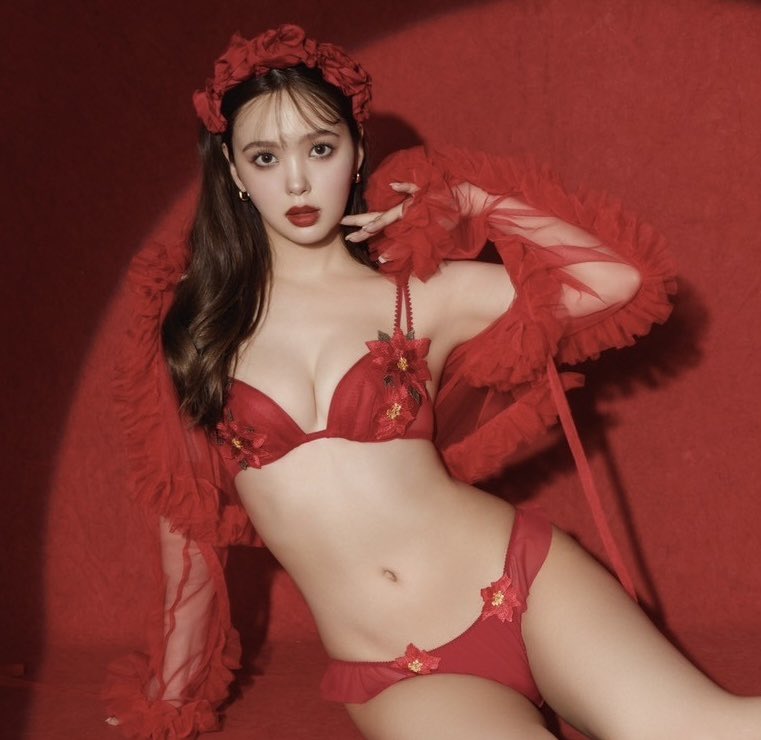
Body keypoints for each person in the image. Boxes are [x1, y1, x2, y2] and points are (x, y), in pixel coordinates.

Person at [104, 24, 761, 740]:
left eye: (320, 149)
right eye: (266, 156)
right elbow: (188, 530)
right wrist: (171, 698)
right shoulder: (195, 328)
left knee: (718, 731)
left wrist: (474, 203)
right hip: (397, 668)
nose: (296, 182)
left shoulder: (421, 292)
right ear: (233, 171)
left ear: (356, 151)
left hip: (526, 582)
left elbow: (615, 282)